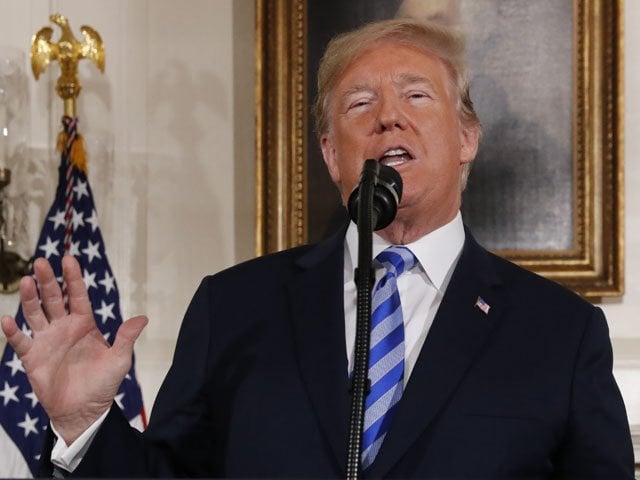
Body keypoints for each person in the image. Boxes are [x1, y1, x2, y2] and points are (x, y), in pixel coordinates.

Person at [1, 18, 635, 478]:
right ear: (332, 155)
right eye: (361, 104)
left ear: (466, 137)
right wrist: (84, 423)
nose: (389, 118)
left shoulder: (560, 332)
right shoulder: (235, 306)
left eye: (416, 96)